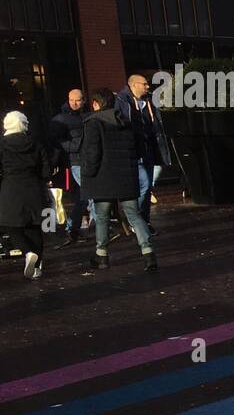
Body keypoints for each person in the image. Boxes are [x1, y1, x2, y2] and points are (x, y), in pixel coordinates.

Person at [82, 88, 155, 271]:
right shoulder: (126, 121)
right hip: (126, 175)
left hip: (103, 177)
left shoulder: (93, 123)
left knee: (102, 217)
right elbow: (140, 148)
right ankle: (148, 253)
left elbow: (93, 153)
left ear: (96, 104)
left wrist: (88, 174)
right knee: (134, 215)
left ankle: (102, 255)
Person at [0, 111, 52, 280]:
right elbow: (46, 168)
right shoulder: (35, 143)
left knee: (9, 225)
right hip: (34, 188)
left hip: (11, 188)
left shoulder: (2, 144)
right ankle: (37, 267)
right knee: (35, 227)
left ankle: (27, 252)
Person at [115, 73, 169, 234]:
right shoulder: (122, 100)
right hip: (134, 151)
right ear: (134, 84)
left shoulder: (149, 101)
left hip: (149, 149)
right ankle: (136, 220)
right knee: (144, 185)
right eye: (144, 84)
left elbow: (155, 124)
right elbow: (122, 124)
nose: (147, 87)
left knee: (147, 186)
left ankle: (143, 221)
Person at [48, 87, 92, 245]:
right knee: (89, 195)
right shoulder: (61, 119)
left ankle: (72, 228)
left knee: (82, 198)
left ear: (83, 100)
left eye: (77, 100)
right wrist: (73, 146)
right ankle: (101, 227)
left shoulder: (84, 116)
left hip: (82, 160)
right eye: (71, 99)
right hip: (74, 161)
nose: (74, 103)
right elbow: (55, 143)